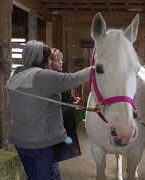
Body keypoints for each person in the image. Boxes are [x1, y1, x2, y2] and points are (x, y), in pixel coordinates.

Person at [6, 40, 92, 180]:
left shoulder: (15, 75)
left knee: (41, 174)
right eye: (48, 57)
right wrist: (94, 68)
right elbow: (71, 79)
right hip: (39, 142)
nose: (50, 61)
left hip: (20, 139)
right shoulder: (40, 75)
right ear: (41, 58)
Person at [49, 48, 83, 178]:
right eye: (57, 61)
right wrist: (70, 106)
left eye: (61, 60)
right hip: (54, 124)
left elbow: (66, 93)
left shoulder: (61, 75)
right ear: (50, 62)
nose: (60, 63)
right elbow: (53, 106)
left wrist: (72, 97)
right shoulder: (50, 79)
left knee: (58, 153)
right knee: (54, 156)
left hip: (63, 121)